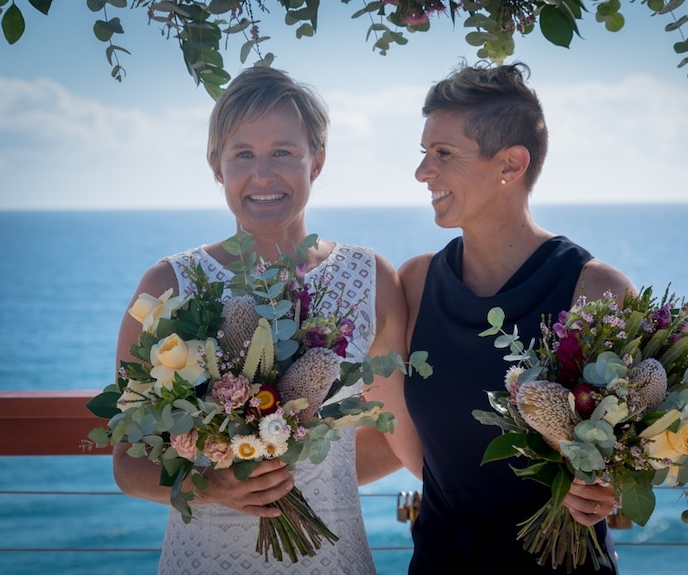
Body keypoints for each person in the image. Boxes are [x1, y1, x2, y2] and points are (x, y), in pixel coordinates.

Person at [111, 65, 420, 575]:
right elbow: (127, 464)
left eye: (283, 153)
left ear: (316, 161)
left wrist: (317, 470)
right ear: (217, 166)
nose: (263, 176)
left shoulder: (371, 279)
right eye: (243, 155)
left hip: (334, 557)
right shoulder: (166, 287)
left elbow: (399, 435)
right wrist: (215, 486)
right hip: (205, 559)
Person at [395, 61, 637, 573]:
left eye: (443, 154)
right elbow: (396, 425)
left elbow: (640, 447)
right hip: (441, 560)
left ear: (510, 164)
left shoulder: (596, 291)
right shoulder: (414, 284)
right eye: (423, 153)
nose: (422, 172)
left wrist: (610, 483)